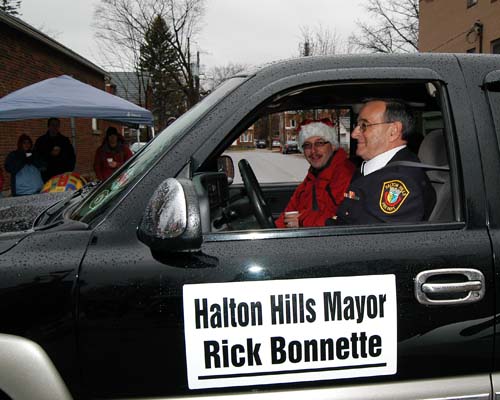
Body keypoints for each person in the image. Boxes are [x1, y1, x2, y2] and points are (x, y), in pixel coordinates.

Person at [331, 99, 436, 225]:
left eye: (364, 125)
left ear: (393, 131)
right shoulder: (372, 170)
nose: (354, 134)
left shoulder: (400, 182)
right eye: (356, 126)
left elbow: (372, 241)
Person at [275, 119, 355, 228]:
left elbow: (344, 218)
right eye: (307, 145)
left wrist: (302, 221)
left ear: (332, 145)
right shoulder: (312, 176)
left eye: (319, 143)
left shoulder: (345, 174)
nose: (313, 151)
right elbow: (289, 212)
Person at [33, 117, 76, 182]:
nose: (55, 127)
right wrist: (50, 154)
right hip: (46, 176)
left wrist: (68, 170)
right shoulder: (41, 141)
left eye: (57, 125)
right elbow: (36, 157)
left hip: (62, 175)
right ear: (48, 126)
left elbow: (72, 156)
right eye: (53, 125)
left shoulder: (64, 140)